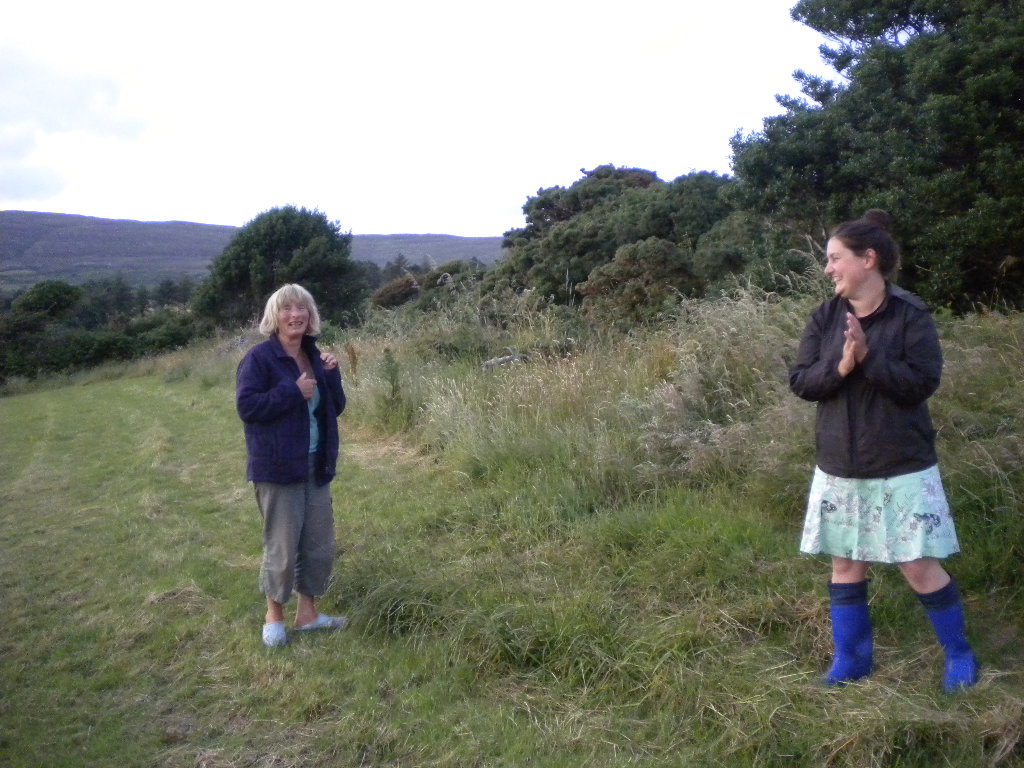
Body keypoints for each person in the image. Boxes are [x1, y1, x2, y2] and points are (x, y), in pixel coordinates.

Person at [789, 210, 979, 692]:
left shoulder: (910, 315)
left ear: (868, 259)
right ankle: (851, 662)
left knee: (917, 564)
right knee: (846, 563)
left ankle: (959, 654)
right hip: (839, 464)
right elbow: (802, 382)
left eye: (835, 259)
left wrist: (870, 358)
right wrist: (843, 365)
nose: (828, 268)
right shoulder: (825, 316)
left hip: (900, 465)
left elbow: (920, 384)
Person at [236, 284, 348, 648]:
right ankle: (274, 617)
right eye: (287, 309)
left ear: (310, 316)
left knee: (318, 545)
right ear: (275, 316)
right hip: (278, 467)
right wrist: (290, 393)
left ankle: (308, 615)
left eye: (302, 308)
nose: (295, 314)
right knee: (282, 546)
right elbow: (248, 408)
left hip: (316, 463)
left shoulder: (315, 355)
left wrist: (331, 376)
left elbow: (337, 408)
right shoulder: (259, 359)